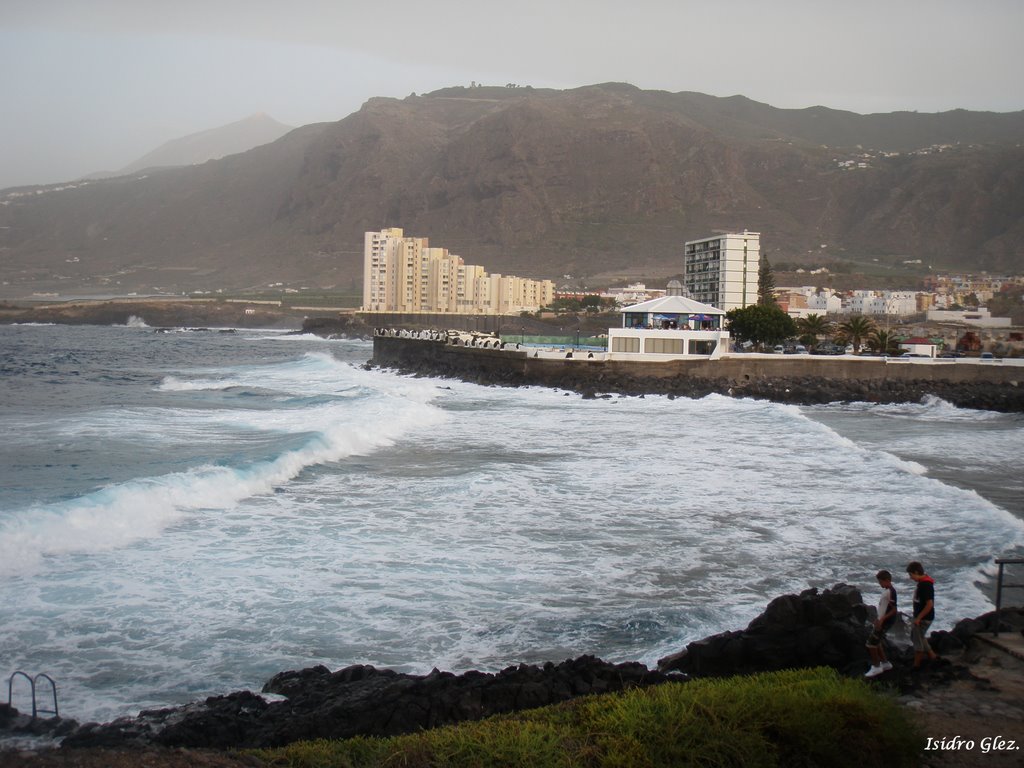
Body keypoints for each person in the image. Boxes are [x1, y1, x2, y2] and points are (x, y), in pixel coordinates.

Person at [865, 570, 898, 677]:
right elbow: (883, 607)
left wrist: (882, 620)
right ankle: (885, 663)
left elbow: (894, 610)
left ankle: (876, 666)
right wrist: (878, 618)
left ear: (887, 580)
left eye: (880, 582)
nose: (880, 584)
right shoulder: (887, 590)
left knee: (871, 643)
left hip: (885, 622)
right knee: (877, 641)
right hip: (881, 620)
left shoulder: (891, 592)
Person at [907, 561, 939, 668]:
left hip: (923, 618)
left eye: (911, 575)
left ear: (916, 572)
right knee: (918, 636)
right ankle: (932, 656)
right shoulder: (923, 583)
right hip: (922, 617)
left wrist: (918, 618)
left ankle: (916, 666)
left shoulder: (925, 585)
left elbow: (929, 604)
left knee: (917, 640)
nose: (910, 578)